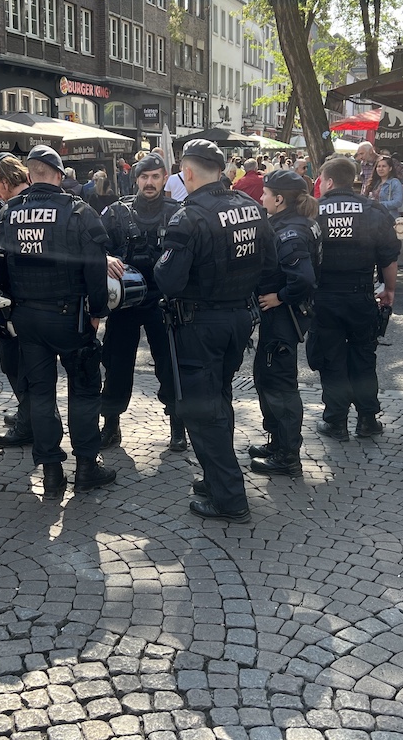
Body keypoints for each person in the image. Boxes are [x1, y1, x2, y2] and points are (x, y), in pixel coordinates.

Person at [155, 139, 275, 524]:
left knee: (203, 410)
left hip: (199, 324)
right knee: (218, 399)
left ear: (187, 172)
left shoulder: (188, 216)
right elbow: (270, 264)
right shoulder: (251, 208)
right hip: (239, 318)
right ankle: (215, 477)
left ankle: (229, 498)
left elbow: (169, 279)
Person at [0, 145, 115, 498]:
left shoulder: (8, 214)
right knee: (83, 391)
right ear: (60, 177)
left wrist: (9, 315)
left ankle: (50, 471)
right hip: (71, 318)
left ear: (30, 176)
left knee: (40, 394)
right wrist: (97, 314)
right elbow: (96, 267)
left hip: (27, 319)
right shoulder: (79, 211)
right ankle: (86, 467)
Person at [98, 153, 185, 452]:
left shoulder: (178, 213)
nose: (149, 182)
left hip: (163, 303)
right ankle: (111, 424)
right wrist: (105, 257)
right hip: (124, 303)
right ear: (136, 179)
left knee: (170, 364)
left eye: (156, 176)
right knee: (116, 363)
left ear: (165, 178)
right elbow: (93, 246)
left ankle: (177, 424)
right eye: (144, 177)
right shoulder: (114, 213)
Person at [308, 156, 399, 441]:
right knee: (363, 356)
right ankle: (368, 419)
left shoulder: (315, 211)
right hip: (361, 294)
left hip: (324, 297)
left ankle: (335, 421)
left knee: (331, 358)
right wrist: (390, 290)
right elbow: (389, 257)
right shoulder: (374, 210)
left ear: (329, 181)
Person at [248, 170, 320, 477]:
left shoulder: (289, 232)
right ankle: (277, 441)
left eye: (265, 194)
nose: (262, 198)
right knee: (266, 378)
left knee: (280, 384)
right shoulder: (290, 224)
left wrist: (280, 296)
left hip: (282, 318)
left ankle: (288, 455)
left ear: (279, 199)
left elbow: (303, 278)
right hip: (277, 319)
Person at [0, 153, 36, 448]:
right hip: (35, 301)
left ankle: (28, 422)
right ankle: (27, 413)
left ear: (5, 180)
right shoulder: (38, 203)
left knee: (15, 365)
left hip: (13, 303)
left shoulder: (9, 213)